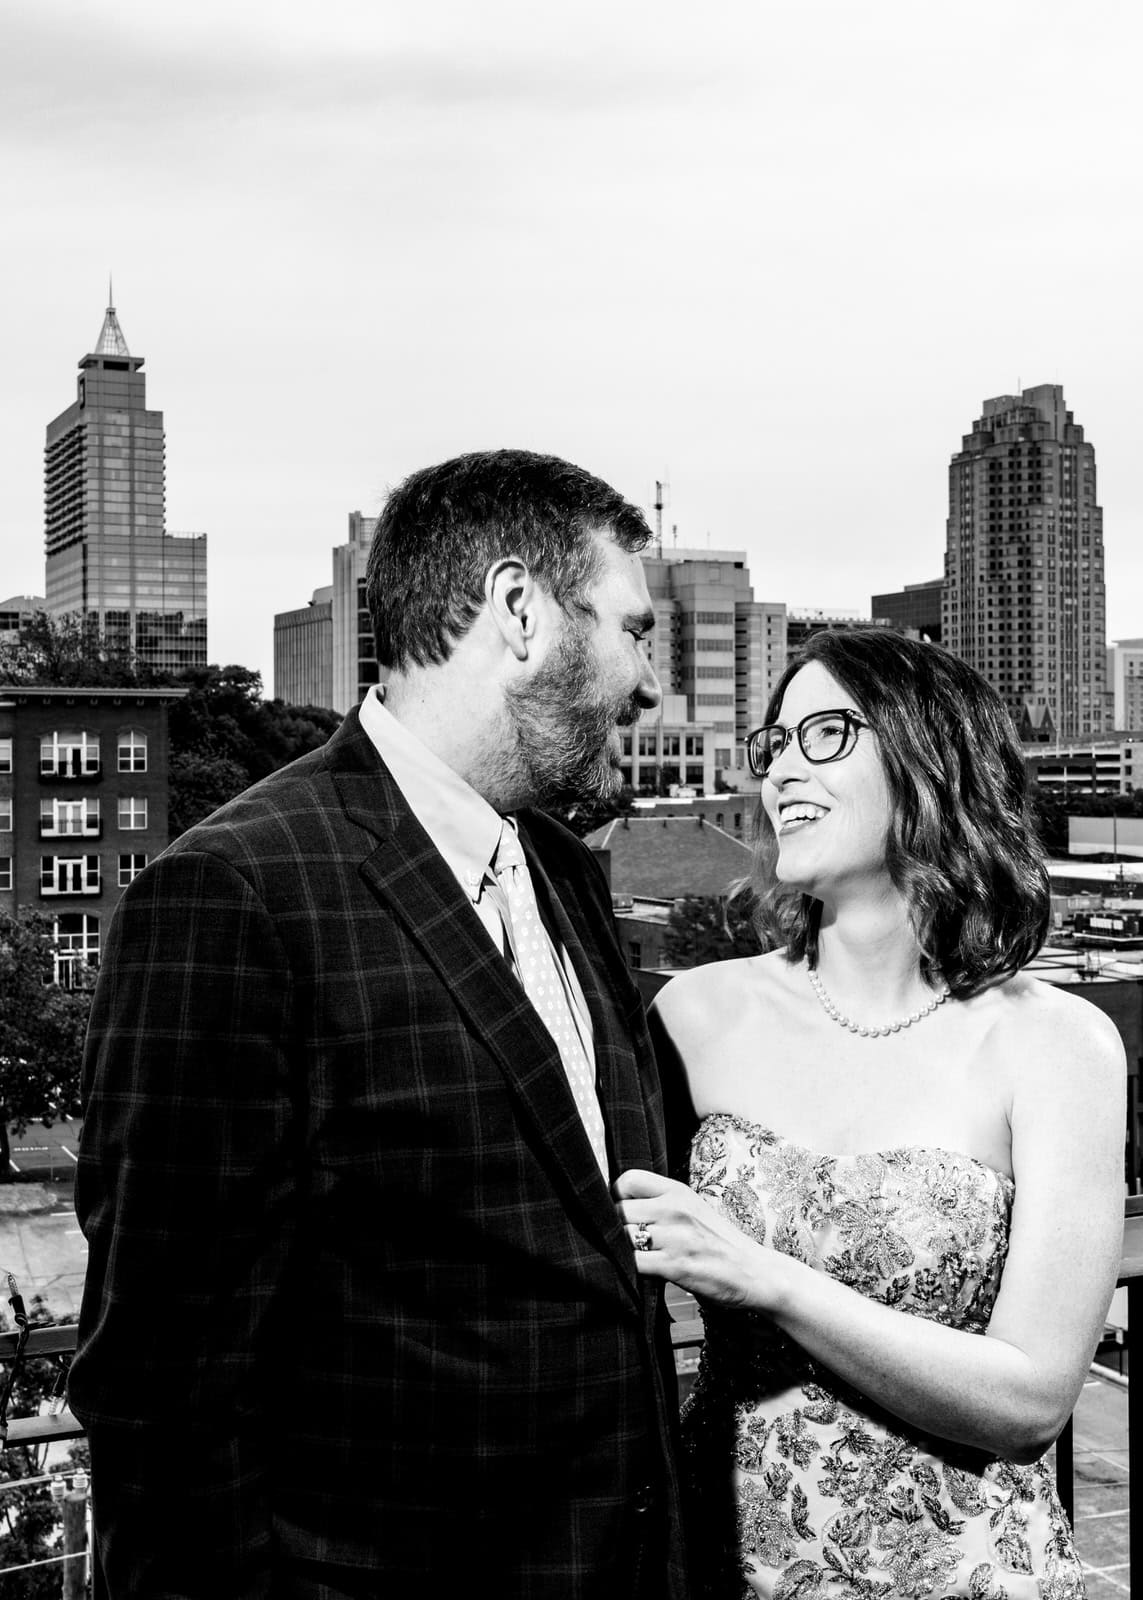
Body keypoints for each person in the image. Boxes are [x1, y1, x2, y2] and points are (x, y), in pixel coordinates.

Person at [71, 450, 690, 1599]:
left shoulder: (561, 867)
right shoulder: (238, 894)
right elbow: (162, 1389)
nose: (650, 680)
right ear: (519, 612)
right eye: (635, 630)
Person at [615, 628, 1125, 1599]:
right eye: (775, 744)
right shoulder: (694, 1016)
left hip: (971, 1572)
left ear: (931, 757)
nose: (781, 774)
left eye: (826, 734)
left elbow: (1032, 1396)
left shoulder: (1059, 1046)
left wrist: (769, 1280)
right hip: (722, 1563)